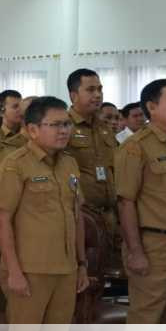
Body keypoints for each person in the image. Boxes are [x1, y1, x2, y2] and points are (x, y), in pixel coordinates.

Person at [0, 96, 87, 331]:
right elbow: (2, 220)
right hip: (29, 269)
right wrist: (14, 270)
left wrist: (81, 264)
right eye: (56, 124)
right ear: (32, 130)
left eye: (67, 124)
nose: (64, 131)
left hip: (64, 267)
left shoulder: (70, 165)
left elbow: (76, 217)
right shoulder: (15, 164)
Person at [115, 79, 166, 324]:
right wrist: (136, 252)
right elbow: (125, 202)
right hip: (153, 245)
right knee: (146, 317)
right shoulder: (135, 147)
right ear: (152, 106)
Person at [65, 69, 118, 240]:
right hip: (80, 217)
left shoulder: (104, 127)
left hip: (109, 215)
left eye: (100, 89)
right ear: (73, 95)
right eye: (90, 90)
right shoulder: (63, 126)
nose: (97, 95)